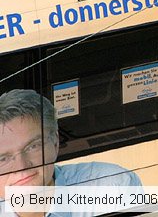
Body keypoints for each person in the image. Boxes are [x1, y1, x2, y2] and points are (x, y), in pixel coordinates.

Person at [0, 89, 141, 216]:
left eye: (33, 146)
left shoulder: (115, 187)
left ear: (55, 142)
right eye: (3, 159)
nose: (21, 167)